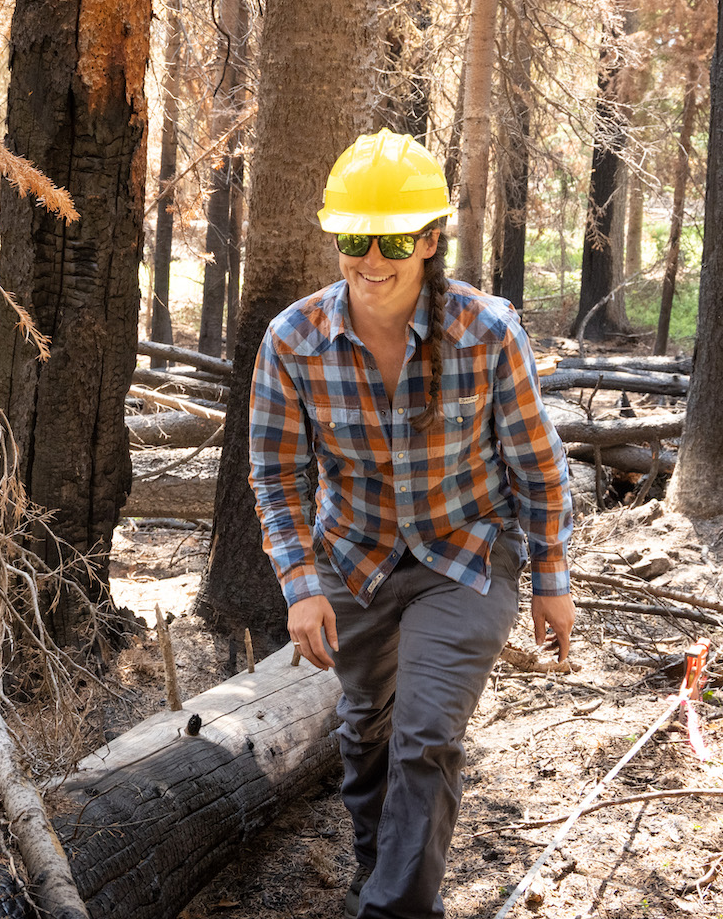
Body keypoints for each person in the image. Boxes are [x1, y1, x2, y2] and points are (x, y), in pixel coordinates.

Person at [249, 129, 574, 919]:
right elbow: (278, 476)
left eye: (394, 238)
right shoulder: (293, 340)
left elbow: (537, 463)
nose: (371, 258)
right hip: (353, 557)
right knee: (366, 732)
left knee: (425, 734)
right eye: (354, 238)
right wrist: (299, 587)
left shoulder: (487, 331)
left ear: (429, 241)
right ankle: (383, 874)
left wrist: (551, 581)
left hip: (466, 553)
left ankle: (392, 910)